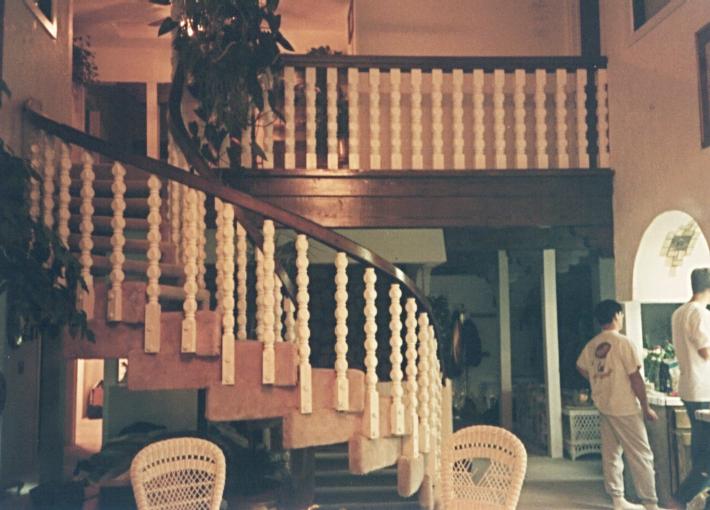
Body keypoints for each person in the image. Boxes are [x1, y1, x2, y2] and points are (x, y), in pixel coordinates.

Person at [577, 300, 663, 510]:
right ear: (616, 315)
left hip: (604, 405)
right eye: (621, 315)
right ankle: (650, 502)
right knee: (641, 454)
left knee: (611, 454)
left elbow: (581, 367)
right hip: (624, 406)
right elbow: (635, 378)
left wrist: (598, 380)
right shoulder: (624, 343)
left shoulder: (593, 344)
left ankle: (618, 498)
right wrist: (645, 406)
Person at [672, 268, 710, 506]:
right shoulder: (700, 314)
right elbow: (706, 352)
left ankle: (693, 501)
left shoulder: (679, 312)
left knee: (702, 450)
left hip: (689, 387)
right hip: (703, 389)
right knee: (707, 458)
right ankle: (679, 500)